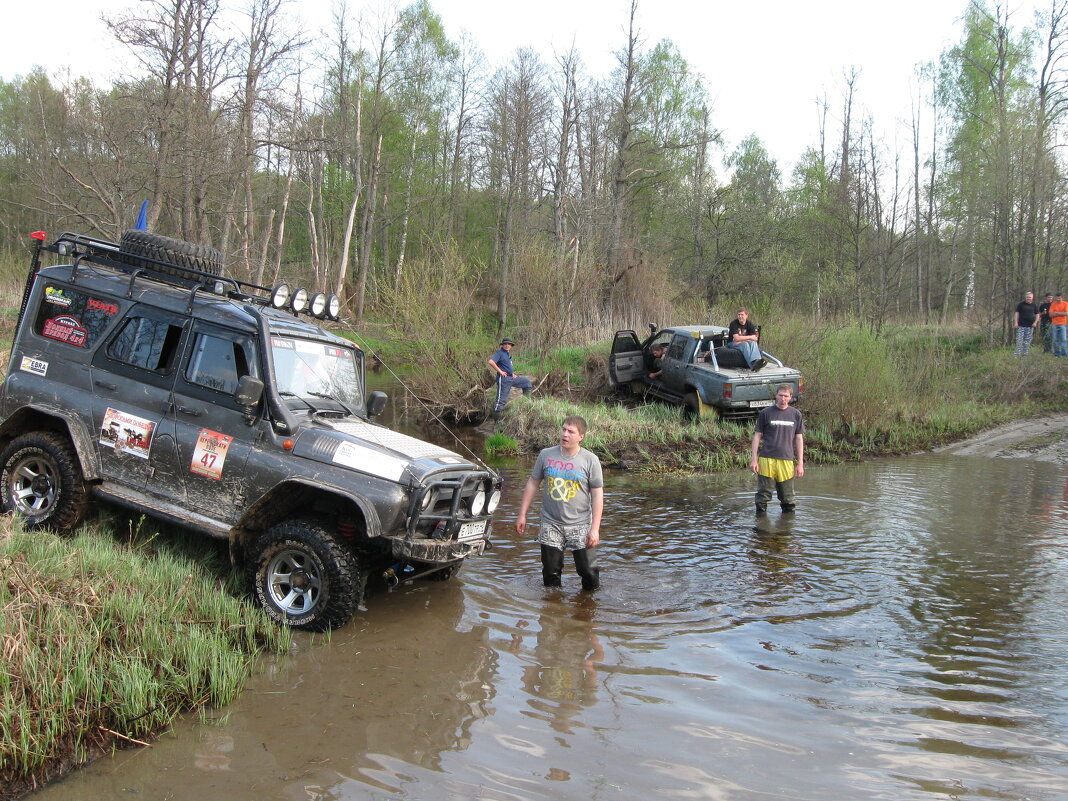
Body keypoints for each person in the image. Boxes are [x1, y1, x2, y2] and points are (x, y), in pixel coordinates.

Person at [516, 415, 604, 591]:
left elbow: (597, 495)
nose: (565, 434)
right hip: (550, 523)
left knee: (588, 571)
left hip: (580, 524)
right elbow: (533, 482)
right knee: (550, 573)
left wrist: (595, 529)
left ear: (581, 436)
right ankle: (553, 610)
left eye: (570, 431)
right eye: (563, 429)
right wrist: (522, 514)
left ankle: (589, 609)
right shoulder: (546, 455)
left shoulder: (590, 460)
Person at [750, 384, 804, 514]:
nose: (783, 398)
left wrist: (800, 463)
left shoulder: (796, 415)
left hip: (786, 460)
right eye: (780, 395)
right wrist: (754, 460)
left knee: (788, 498)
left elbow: (799, 439)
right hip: (766, 459)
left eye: (786, 396)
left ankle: (786, 528)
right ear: (776, 396)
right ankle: (761, 528)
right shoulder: (765, 413)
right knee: (763, 496)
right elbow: (757, 436)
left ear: (790, 397)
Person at [488, 337, 533, 421]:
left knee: (527, 383)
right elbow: (491, 362)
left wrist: (512, 373)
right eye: (505, 344)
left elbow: (506, 365)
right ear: (502, 345)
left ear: (511, 346)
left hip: (511, 377)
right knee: (500, 401)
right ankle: (498, 424)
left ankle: (525, 405)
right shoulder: (500, 353)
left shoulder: (507, 354)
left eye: (509, 344)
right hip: (504, 379)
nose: (507, 345)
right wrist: (500, 371)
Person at [1013, 290, 1040, 357]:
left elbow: (1037, 314)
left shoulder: (1034, 305)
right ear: (1025, 297)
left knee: (1027, 341)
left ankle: (1024, 355)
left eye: (1030, 297)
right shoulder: (1021, 304)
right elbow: (1016, 313)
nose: (1028, 298)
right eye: (1027, 297)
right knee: (1019, 340)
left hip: (1030, 326)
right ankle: (1016, 355)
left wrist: (1035, 322)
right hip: (1021, 325)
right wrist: (1016, 322)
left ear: (1032, 298)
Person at [1050, 292, 1068, 358]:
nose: (1058, 299)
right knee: (1055, 340)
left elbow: (1066, 313)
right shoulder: (1053, 304)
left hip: (1063, 324)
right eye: (1057, 298)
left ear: (1062, 298)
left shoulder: (1065, 304)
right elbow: (1051, 315)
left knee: (1063, 339)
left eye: (1059, 298)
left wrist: (1056, 313)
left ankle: (1065, 354)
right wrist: (1061, 313)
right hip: (1054, 324)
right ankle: (1057, 354)